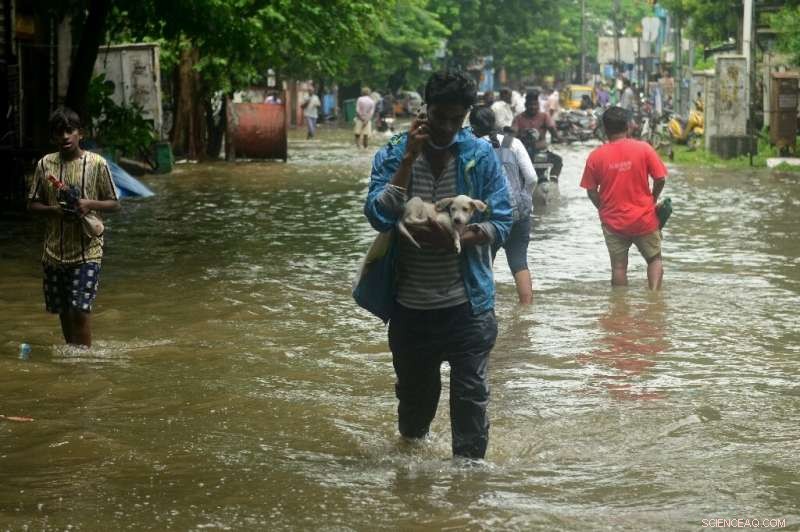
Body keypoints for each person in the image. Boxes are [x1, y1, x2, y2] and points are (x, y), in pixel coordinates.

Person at [364, 69, 512, 460]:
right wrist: (408, 161)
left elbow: (503, 219)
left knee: (471, 408)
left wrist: (458, 238)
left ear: (465, 115)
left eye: (455, 119)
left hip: (469, 308)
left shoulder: (479, 156)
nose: (446, 127)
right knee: (414, 417)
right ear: (424, 110)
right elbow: (378, 216)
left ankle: (467, 499)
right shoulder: (395, 151)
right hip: (411, 310)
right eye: (438, 116)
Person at [27, 107, 120, 347]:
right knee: (64, 313)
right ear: (53, 137)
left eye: (70, 131)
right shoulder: (44, 165)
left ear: (81, 133)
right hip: (53, 252)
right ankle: (72, 357)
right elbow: (32, 204)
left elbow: (114, 204)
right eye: (59, 132)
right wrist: (53, 210)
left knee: (79, 310)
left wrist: (88, 204)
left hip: (87, 250)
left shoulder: (97, 164)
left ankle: (84, 361)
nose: (65, 136)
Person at [580, 106, 667, 290]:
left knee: (618, 267)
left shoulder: (595, 156)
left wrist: (603, 208)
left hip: (613, 222)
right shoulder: (644, 149)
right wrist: (652, 198)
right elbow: (660, 178)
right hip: (644, 218)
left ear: (605, 129)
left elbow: (591, 190)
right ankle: (654, 298)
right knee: (654, 259)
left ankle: (619, 309)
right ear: (628, 126)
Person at [470, 106, 535, 304]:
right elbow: (531, 177)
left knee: (484, 262)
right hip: (519, 214)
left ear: (472, 126)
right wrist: (524, 198)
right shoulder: (512, 143)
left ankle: (486, 308)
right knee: (519, 262)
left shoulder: (473, 147)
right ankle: (526, 308)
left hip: (489, 217)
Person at [512, 90, 563, 181]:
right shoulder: (518, 118)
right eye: (530, 105)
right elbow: (512, 134)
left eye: (535, 105)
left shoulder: (544, 117)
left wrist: (561, 139)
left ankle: (553, 182)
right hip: (523, 154)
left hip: (541, 153)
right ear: (526, 105)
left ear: (539, 105)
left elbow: (553, 132)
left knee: (558, 160)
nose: (533, 107)